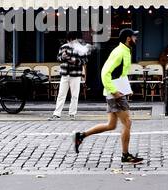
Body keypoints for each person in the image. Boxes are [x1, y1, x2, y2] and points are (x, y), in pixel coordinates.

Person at [73, 28, 143, 165]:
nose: (136, 39)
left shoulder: (125, 50)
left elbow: (120, 73)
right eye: (134, 37)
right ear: (128, 38)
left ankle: (81, 136)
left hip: (115, 91)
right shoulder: (119, 52)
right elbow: (105, 72)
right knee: (127, 123)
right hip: (114, 93)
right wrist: (115, 91)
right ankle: (125, 155)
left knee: (111, 125)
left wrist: (126, 88)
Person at [50, 32, 91, 119]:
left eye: (73, 40)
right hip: (65, 74)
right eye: (70, 40)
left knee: (75, 95)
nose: (71, 42)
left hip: (75, 74)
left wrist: (75, 61)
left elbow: (85, 61)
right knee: (61, 94)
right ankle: (57, 113)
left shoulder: (81, 48)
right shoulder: (63, 47)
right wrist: (63, 57)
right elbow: (58, 58)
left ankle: (72, 113)